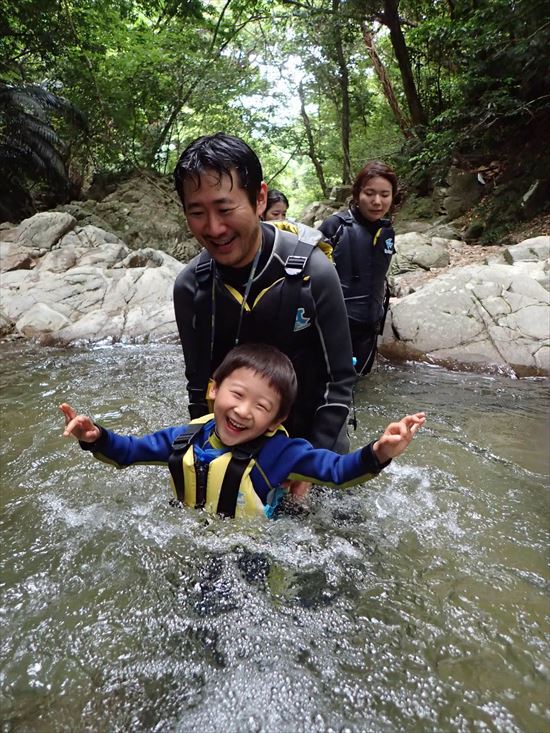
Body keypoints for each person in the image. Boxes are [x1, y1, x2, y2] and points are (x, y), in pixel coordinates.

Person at [60, 343, 426, 520]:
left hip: (252, 552)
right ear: (214, 390)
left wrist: (379, 451)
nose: (243, 411)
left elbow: (337, 472)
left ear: (276, 421)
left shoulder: (283, 454)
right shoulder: (185, 438)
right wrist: (95, 438)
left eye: (262, 407)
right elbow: (127, 453)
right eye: (236, 394)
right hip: (191, 534)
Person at [172, 132, 356, 482]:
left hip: (315, 443)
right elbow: (199, 389)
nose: (214, 228)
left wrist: (305, 468)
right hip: (238, 446)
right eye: (197, 213)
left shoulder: (313, 272)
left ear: (258, 198)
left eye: (225, 209)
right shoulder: (190, 287)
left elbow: (340, 380)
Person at [319, 161, 398, 376]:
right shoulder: (335, 226)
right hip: (334, 327)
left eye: (385, 194)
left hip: (370, 327)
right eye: (369, 193)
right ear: (357, 193)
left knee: (359, 384)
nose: (377, 201)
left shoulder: (387, 232)